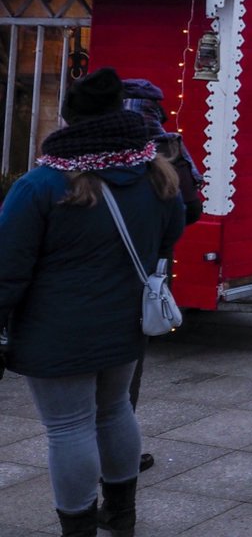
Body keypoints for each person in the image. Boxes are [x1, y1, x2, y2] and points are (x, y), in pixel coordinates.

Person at [0, 68, 185, 537]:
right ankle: (121, 513)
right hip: (125, 322)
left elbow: (7, 268)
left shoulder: (42, 185)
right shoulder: (156, 174)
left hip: (56, 330)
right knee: (115, 409)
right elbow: (172, 232)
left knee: (68, 428)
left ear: (71, 123)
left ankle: (78, 526)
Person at [119, 78, 203, 475]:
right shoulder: (169, 147)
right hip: (146, 271)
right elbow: (192, 211)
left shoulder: (87, 146)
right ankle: (121, 450)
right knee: (126, 366)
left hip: (82, 272)